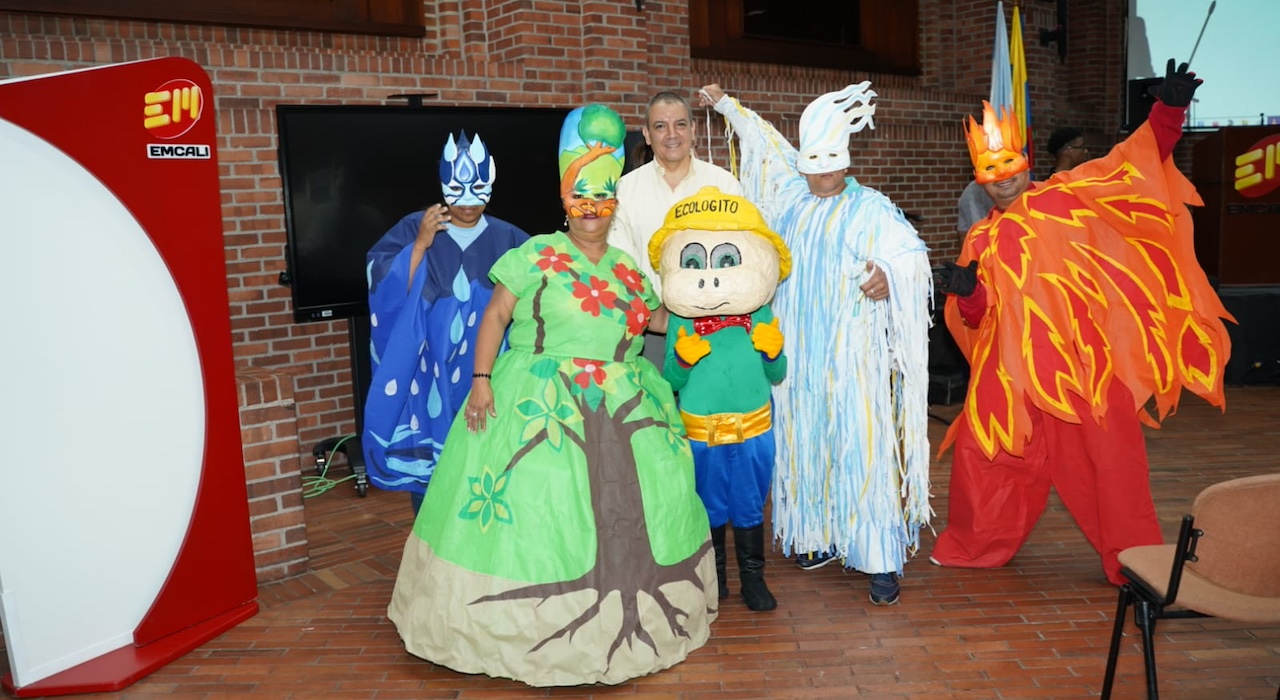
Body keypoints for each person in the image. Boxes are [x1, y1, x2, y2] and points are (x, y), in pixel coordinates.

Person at [386, 104, 718, 687]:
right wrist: (482, 380)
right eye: (580, 196)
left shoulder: (628, 269)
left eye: (603, 197)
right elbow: (495, 317)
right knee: (537, 507)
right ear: (565, 200)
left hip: (621, 405)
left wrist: (712, 312)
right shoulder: (535, 254)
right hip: (535, 401)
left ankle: (624, 612)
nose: (592, 208)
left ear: (614, 204)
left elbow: (656, 320)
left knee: (628, 513)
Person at [931, 59, 1233, 586]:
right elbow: (976, 320)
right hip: (1012, 375)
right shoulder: (979, 239)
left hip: (1085, 368)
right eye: (990, 172)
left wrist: (1167, 113)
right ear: (979, 179)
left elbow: (1132, 166)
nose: (1003, 180)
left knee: (1111, 467)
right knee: (988, 456)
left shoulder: (1069, 194)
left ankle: (1133, 559)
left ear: (1026, 161)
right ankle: (975, 544)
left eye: (1010, 165)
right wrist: (969, 293)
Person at [702, 82, 933, 606]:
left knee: (861, 448)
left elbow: (910, 253)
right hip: (797, 360)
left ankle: (879, 558)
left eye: (832, 167)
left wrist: (889, 273)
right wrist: (728, 106)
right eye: (813, 166)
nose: (823, 176)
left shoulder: (871, 208)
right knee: (803, 445)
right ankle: (816, 536)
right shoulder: (791, 198)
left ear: (846, 163)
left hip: (851, 361)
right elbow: (766, 143)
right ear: (803, 166)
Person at [363, 132, 529, 514]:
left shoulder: (512, 239)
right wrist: (420, 244)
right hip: (428, 373)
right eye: (457, 190)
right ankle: (430, 538)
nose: (467, 202)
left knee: (487, 460)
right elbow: (383, 283)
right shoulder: (415, 227)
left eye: (478, 190)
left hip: (491, 369)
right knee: (433, 478)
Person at [650, 186, 791, 611]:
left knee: (749, 505)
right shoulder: (682, 318)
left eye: (726, 261)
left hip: (753, 429)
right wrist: (682, 358)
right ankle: (715, 579)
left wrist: (774, 353)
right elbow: (671, 379)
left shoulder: (760, 313)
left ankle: (753, 578)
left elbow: (777, 375)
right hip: (701, 431)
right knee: (707, 506)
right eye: (695, 263)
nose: (710, 275)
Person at [608, 91, 742, 369]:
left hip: (714, 330)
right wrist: (658, 316)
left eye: (680, 124)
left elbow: (741, 257)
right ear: (647, 135)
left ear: (693, 129)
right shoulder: (625, 190)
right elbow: (621, 266)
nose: (672, 134)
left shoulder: (724, 185)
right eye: (660, 126)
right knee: (649, 399)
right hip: (648, 335)